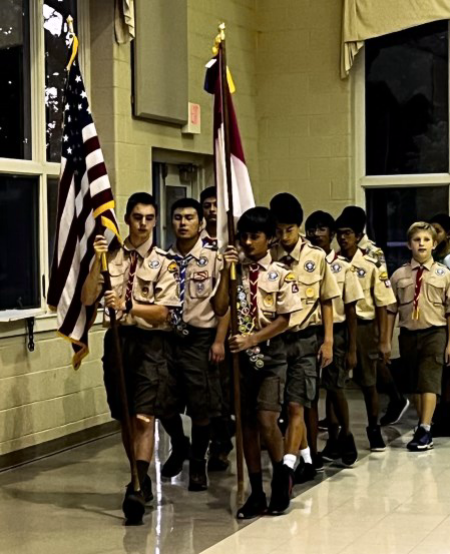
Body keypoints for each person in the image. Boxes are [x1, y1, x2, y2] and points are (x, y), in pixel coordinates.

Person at [81, 192, 179, 524]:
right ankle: (140, 475)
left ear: (155, 221)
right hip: (119, 342)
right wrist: (97, 262)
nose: (143, 224)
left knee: (143, 417)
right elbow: (88, 297)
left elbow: (165, 312)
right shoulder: (112, 258)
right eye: (137, 217)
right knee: (125, 416)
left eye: (149, 218)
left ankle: (135, 487)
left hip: (150, 343)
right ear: (126, 219)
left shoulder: (164, 262)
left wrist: (128, 306)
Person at [215, 207, 302, 518]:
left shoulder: (280, 274)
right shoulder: (236, 271)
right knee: (246, 425)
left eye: (256, 237)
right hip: (240, 360)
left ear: (270, 239)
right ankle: (256, 490)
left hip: (271, 354)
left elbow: (285, 319)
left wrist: (253, 339)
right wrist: (226, 272)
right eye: (244, 237)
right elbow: (220, 306)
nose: (248, 243)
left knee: (267, 419)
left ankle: (281, 477)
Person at [270, 193, 340, 481]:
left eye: (290, 230)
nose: (284, 237)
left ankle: (288, 466)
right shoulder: (269, 254)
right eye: (279, 230)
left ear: (298, 227)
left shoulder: (315, 256)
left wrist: (328, 341)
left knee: (298, 403)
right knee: (281, 408)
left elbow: (326, 300)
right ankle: (307, 458)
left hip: (306, 338)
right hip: (275, 339)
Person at [159, 198, 228, 492]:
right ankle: (179, 443)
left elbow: (225, 307)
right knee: (161, 400)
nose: (183, 223)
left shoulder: (214, 259)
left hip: (201, 338)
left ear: (201, 223)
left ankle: (198, 462)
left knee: (202, 407)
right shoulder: (161, 258)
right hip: (168, 337)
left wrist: (219, 341)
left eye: (189, 217)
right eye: (177, 217)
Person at [338, 206, 409, 427]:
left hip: (366, 319)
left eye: (347, 232)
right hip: (344, 321)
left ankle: (394, 400)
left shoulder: (372, 253)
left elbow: (382, 294)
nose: (342, 237)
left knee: (371, 369)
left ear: (358, 233)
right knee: (364, 370)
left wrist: (383, 335)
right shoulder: (340, 255)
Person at [305, 211, 363, 467]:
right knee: (307, 393)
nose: (316, 235)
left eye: (322, 229)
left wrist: (352, 347)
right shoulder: (301, 264)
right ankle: (311, 450)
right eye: (312, 229)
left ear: (331, 234)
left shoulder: (343, 267)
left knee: (335, 386)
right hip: (308, 331)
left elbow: (351, 310)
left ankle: (345, 435)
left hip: (336, 333)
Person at [387, 222, 450, 450]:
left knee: (429, 382)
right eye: (416, 240)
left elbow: (449, 310)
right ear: (408, 244)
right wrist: (385, 340)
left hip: (436, 332)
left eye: (426, 240)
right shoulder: (399, 275)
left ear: (434, 244)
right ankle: (426, 423)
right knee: (414, 384)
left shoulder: (444, 275)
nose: (421, 243)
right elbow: (390, 310)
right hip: (408, 334)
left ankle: (424, 429)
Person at [199, 186, 234, 472]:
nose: (211, 209)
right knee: (200, 394)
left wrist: (220, 339)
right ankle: (203, 442)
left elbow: (229, 299)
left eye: (215, 205)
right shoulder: (194, 243)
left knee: (220, 394)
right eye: (206, 205)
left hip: (223, 328)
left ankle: (221, 445)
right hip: (196, 329)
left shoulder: (229, 244)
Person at [430, 214, 450, 436]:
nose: (434, 234)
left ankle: (445, 416)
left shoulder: (448, 261)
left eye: (438, 230)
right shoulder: (432, 258)